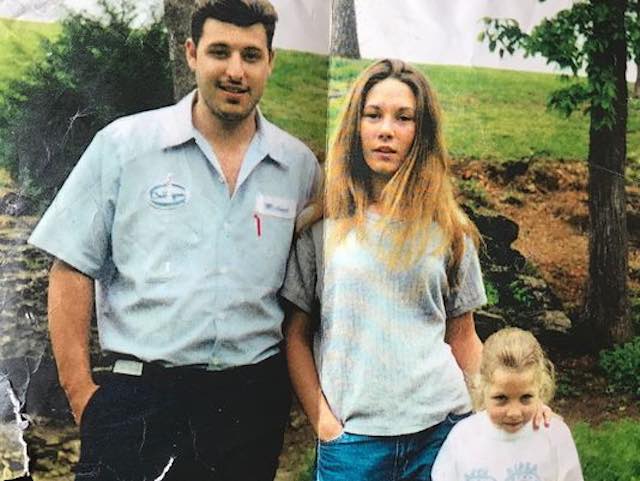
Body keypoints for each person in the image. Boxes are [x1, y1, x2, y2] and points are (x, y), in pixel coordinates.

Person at [28, 1, 320, 480]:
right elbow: (71, 267)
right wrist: (82, 394)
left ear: (271, 61)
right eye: (219, 52)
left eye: (250, 55)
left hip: (248, 408)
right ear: (191, 53)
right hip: (140, 403)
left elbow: (307, 285)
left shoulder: (298, 167)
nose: (235, 71)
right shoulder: (124, 146)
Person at [281, 58, 487, 481]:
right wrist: (325, 424)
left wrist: (502, 409)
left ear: (421, 132)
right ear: (355, 127)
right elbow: (296, 336)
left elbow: (463, 337)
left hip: (442, 433)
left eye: (403, 118)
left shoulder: (450, 231)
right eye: (373, 115)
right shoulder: (321, 228)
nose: (386, 130)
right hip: (353, 445)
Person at [431, 327, 584, 481]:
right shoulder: (462, 437)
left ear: (540, 389)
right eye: (501, 398)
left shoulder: (555, 436)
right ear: (482, 388)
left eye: (525, 397)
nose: (514, 413)